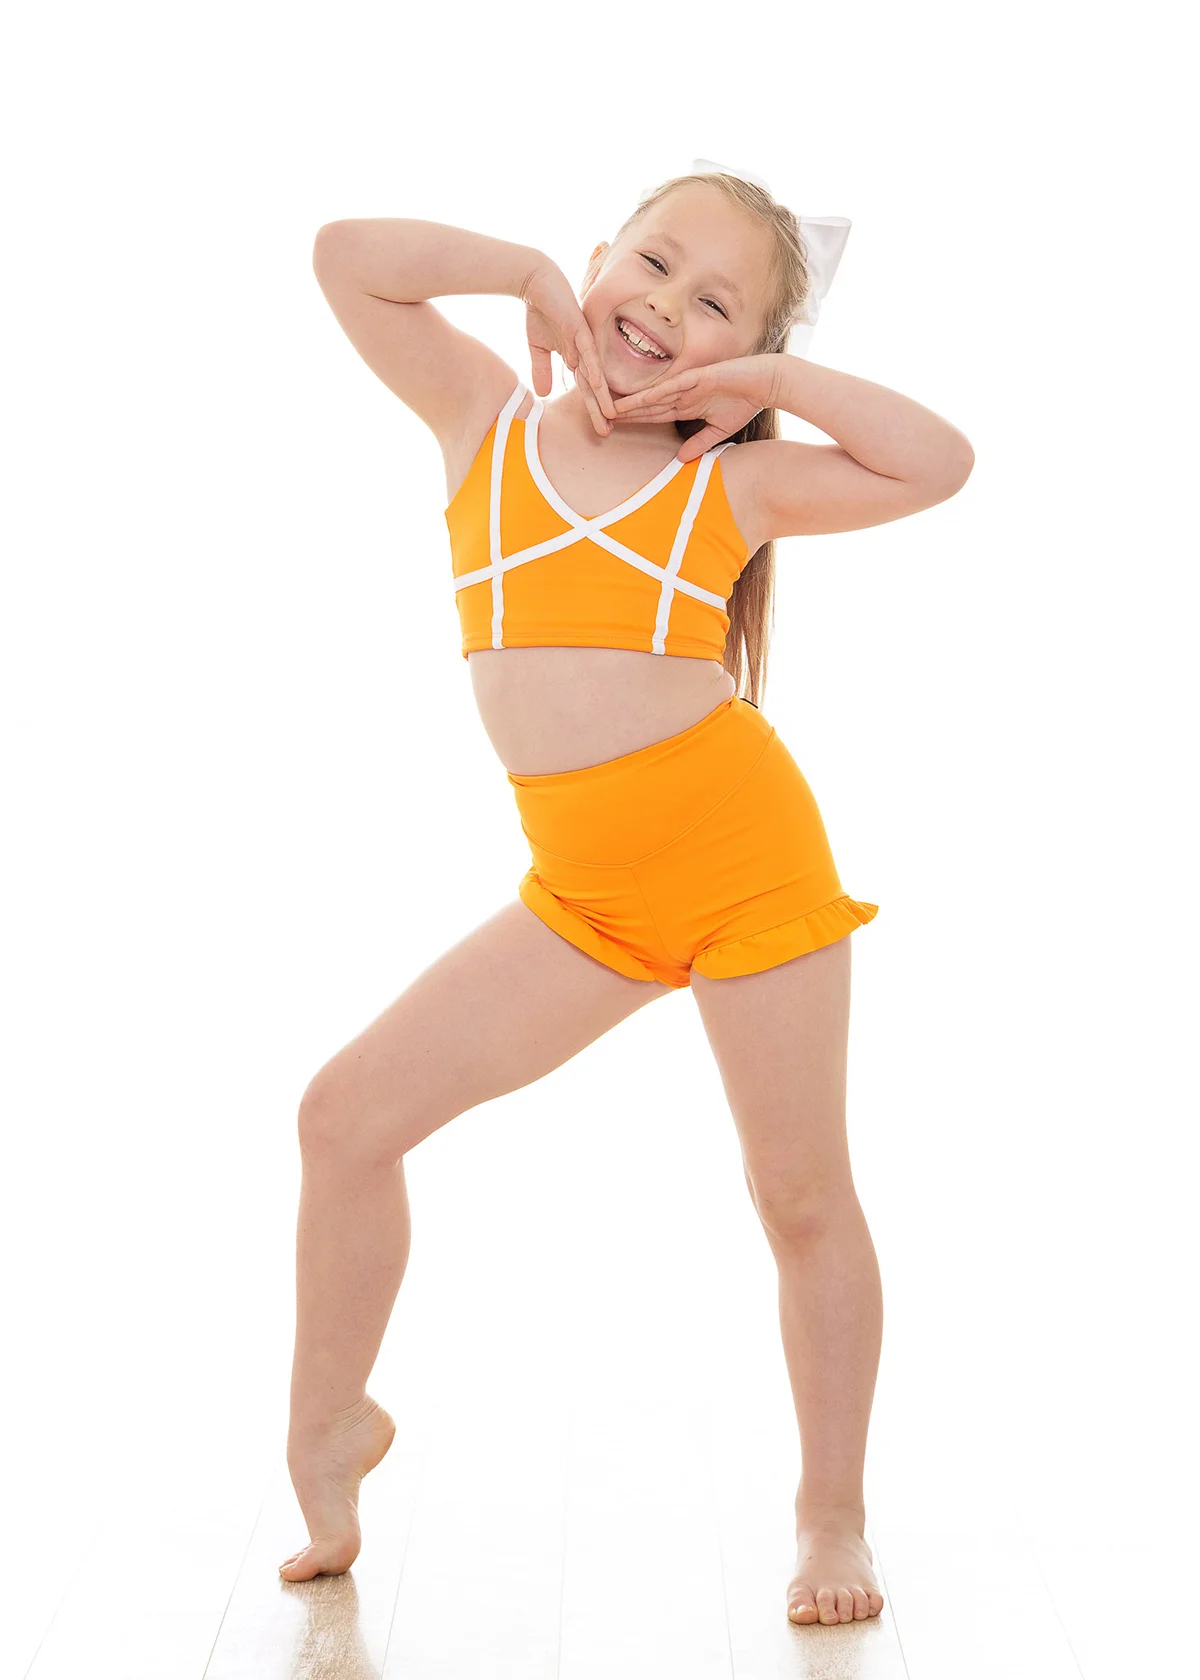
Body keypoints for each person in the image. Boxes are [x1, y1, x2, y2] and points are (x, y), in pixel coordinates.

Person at [281, 163, 973, 1626]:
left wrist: (775, 382)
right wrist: (523, 272)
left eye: (717, 305)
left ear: (745, 355)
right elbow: (347, 255)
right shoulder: (483, 422)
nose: (664, 308)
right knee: (343, 1120)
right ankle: (331, 1424)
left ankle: (832, 1517)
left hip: (745, 867)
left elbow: (938, 462)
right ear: (602, 256)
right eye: (650, 263)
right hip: (583, 903)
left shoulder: (732, 484)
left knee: (800, 1195)